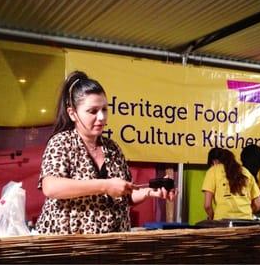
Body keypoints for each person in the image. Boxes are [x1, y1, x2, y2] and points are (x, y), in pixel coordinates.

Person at [36, 71, 175, 234]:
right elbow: (51, 187)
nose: (101, 117)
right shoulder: (61, 142)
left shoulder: (113, 148)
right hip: (69, 245)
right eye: (93, 111)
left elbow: (125, 197)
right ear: (72, 113)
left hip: (111, 245)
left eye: (104, 109)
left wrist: (150, 192)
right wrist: (105, 185)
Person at [201, 147, 260, 220]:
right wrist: (245, 214)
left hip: (222, 222)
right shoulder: (246, 172)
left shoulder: (213, 171)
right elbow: (259, 206)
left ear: (214, 162)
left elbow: (207, 206)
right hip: (247, 222)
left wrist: (212, 218)